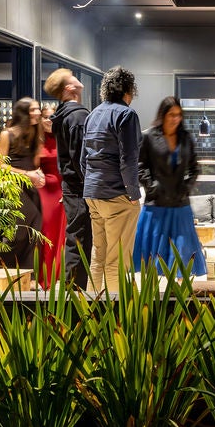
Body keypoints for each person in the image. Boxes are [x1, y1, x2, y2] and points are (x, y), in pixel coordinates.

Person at [81, 66, 142, 293]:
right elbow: (129, 159)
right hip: (117, 195)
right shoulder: (126, 114)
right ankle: (119, 321)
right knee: (118, 261)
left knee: (99, 257)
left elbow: (83, 159)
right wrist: (133, 194)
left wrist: (90, 187)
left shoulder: (93, 115)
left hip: (93, 194)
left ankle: (92, 314)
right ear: (128, 90)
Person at [134, 96, 206, 277]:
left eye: (179, 115)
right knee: (152, 260)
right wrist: (151, 187)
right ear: (163, 115)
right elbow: (140, 167)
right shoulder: (148, 136)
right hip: (156, 206)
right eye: (171, 114)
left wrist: (185, 188)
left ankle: (178, 297)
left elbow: (194, 167)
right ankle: (155, 298)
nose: (175, 119)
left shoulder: (186, 138)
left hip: (180, 205)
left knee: (181, 258)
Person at [44, 67, 92, 288]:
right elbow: (80, 157)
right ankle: (73, 291)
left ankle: (72, 289)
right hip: (80, 188)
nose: (78, 79)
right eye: (73, 77)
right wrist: (90, 186)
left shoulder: (63, 115)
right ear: (69, 88)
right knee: (80, 239)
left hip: (70, 186)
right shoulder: (78, 116)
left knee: (74, 236)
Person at [0, 97, 46, 269]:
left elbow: (36, 163)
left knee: (35, 229)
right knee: (19, 233)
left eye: (38, 109)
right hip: (14, 188)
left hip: (31, 189)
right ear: (23, 113)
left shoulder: (35, 134)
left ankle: (29, 275)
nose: (38, 112)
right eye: (33, 109)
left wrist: (38, 175)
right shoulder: (7, 134)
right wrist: (26, 174)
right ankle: (6, 270)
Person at [37, 103, 66, 286]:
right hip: (42, 192)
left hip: (60, 191)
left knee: (59, 234)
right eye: (45, 117)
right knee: (45, 232)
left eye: (51, 117)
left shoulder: (63, 139)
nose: (48, 120)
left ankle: (56, 277)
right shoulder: (36, 140)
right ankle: (42, 278)